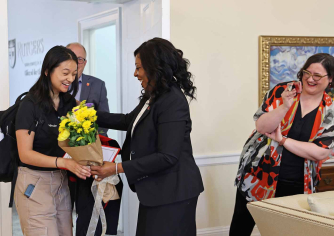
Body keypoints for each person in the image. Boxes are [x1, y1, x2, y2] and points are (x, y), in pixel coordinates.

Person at [90, 37, 204, 236]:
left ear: (155, 67)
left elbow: (168, 156)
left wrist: (116, 168)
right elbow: (128, 121)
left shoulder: (172, 101)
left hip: (173, 193)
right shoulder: (155, 94)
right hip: (158, 191)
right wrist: (89, 116)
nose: (135, 73)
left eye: (139, 67)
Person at [230, 53, 334, 236]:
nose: (310, 79)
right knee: (241, 228)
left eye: (317, 76)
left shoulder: (330, 110)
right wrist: (284, 106)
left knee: (286, 232)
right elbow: (262, 126)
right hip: (258, 176)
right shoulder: (283, 91)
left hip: (297, 183)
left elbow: (321, 152)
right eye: (307, 72)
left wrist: (283, 140)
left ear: (330, 79)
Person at [14, 46, 91, 236]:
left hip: (61, 184)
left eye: (74, 74)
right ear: (47, 71)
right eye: (65, 73)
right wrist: (64, 162)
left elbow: (79, 141)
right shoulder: (29, 105)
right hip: (35, 184)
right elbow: (25, 154)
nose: (70, 79)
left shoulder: (70, 103)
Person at [66, 42, 122, 236]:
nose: (76, 62)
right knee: (62, 215)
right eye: (71, 57)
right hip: (62, 161)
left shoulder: (97, 85)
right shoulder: (57, 85)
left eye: (80, 59)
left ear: (85, 62)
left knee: (88, 213)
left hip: (89, 162)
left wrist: (91, 147)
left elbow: (104, 121)